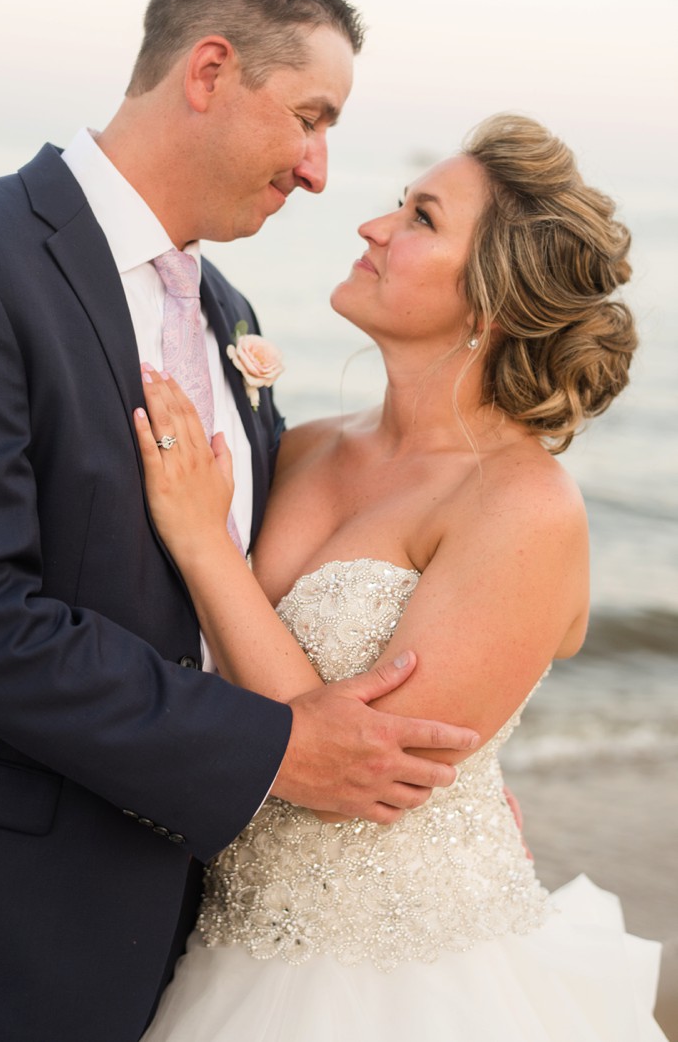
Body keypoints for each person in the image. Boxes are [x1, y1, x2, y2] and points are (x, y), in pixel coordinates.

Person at [0, 0, 478, 1041]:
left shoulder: (232, 310)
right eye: (311, 117)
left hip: (219, 913)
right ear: (211, 70)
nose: (321, 170)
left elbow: (249, 592)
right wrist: (269, 748)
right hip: (29, 902)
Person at [134, 113, 665, 1040]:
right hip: (225, 938)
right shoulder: (299, 449)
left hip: (406, 978)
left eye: (421, 218)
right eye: (398, 206)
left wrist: (201, 541)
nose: (373, 228)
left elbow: (355, 765)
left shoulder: (523, 503)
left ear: (491, 304)